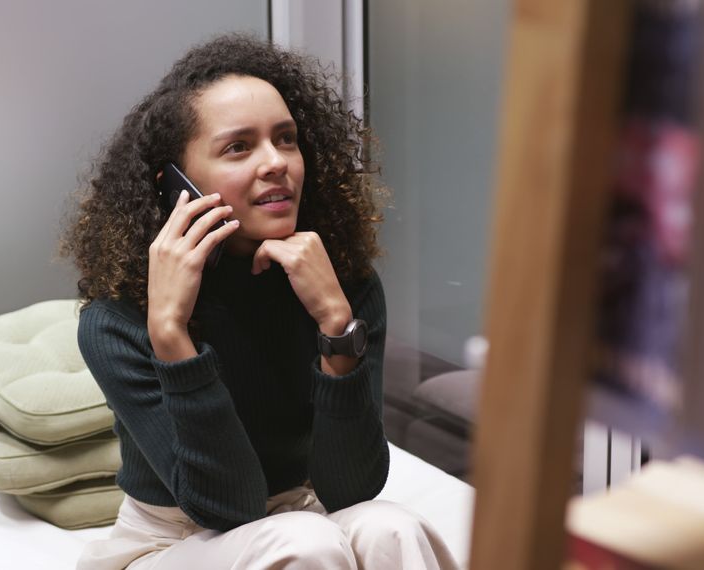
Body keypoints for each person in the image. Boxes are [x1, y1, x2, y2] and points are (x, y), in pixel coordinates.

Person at [61, 34, 459, 570]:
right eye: (238, 147)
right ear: (175, 186)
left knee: (393, 528)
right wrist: (172, 334)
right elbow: (228, 504)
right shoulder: (120, 319)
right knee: (301, 541)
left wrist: (337, 324)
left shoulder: (342, 288)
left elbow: (350, 489)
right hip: (170, 541)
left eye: (287, 139)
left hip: (305, 516)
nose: (276, 163)